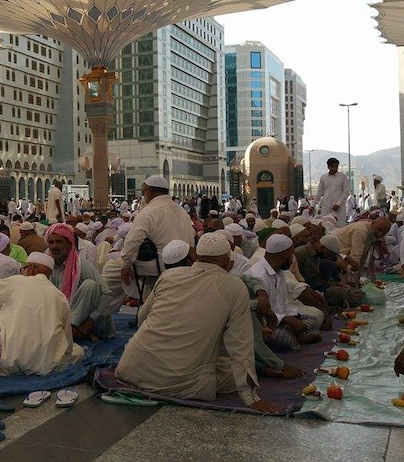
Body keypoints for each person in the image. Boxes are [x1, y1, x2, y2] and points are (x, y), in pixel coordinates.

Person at [115, 234, 280, 414]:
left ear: (195, 257)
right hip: (179, 382)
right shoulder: (234, 286)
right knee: (236, 371)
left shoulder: (168, 276)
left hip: (131, 368)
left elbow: (141, 318)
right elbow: (240, 346)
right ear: (228, 264)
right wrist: (251, 398)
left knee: (219, 362)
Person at [0, 251, 84, 375]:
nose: (22, 272)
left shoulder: (15, 282)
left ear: (31, 268)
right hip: (46, 365)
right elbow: (68, 341)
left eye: (24, 268)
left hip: (8, 362)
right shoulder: (59, 296)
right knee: (78, 351)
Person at [112, 175, 195, 308]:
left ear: (149, 192)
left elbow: (132, 242)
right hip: (185, 264)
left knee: (110, 270)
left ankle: (98, 316)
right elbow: (192, 240)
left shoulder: (149, 212)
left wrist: (126, 266)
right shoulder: (182, 212)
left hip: (158, 265)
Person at [245, 234, 322, 350]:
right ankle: (296, 337)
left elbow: (283, 304)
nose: (292, 259)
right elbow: (260, 312)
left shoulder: (280, 273)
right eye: (291, 255)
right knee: (284, 338)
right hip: (263, 323)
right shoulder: (257, 275)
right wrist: (288, 320)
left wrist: (293, 318)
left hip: (280, 321)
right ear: (283, 256)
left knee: (314, 320)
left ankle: (295, 335)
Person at [45, 223, 113, 340]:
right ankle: (70, 330)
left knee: (90, 285)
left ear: (69, 244)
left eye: (59, 242)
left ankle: (71, 328)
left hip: (90, 323)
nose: (54, 246)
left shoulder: (80, 265)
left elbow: (106, 293)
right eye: (51, 242)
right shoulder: (47, 266)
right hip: (58, 320)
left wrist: (88, 323)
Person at [315, 158, 351, 227]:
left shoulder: (343, 177)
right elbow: (319, 192)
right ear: (328, 167)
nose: (335, 168)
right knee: (325, 225)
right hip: (326, 206)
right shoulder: (323, 177)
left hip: (338, 207)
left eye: (336, 166)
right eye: (332, 166)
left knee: (339, 226)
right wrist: (313, 204)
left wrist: (338, 204)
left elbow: (346, 191)